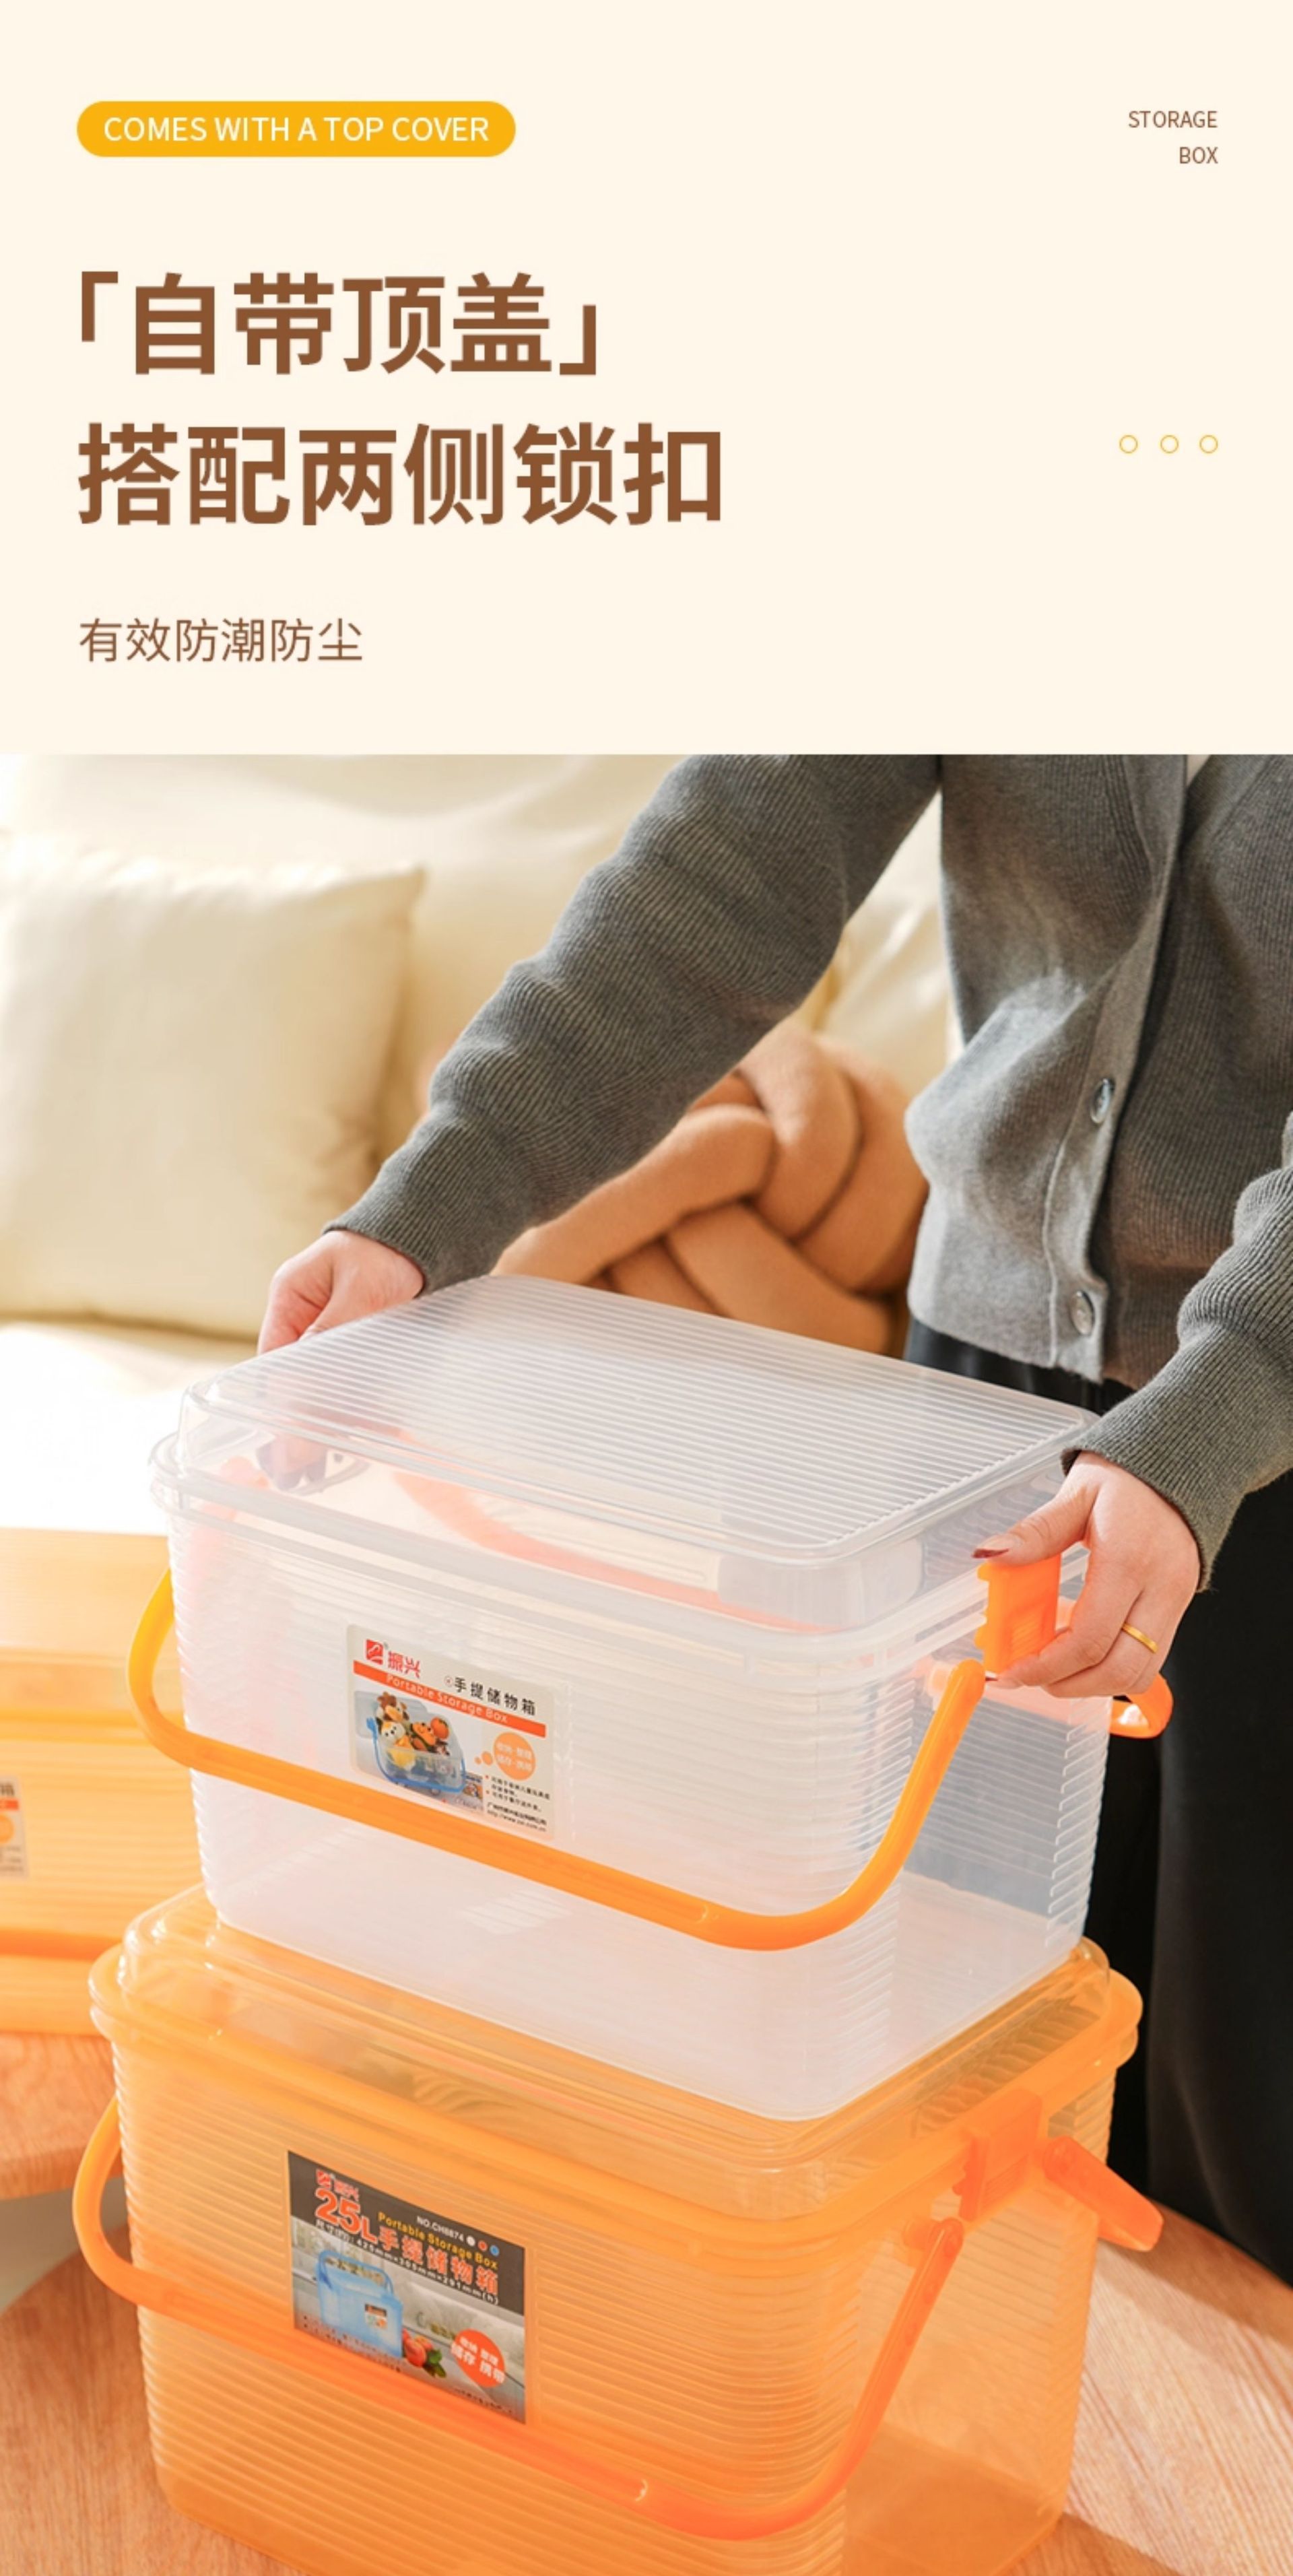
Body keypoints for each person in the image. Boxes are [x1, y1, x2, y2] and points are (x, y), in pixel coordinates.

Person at [260, 754, 1293, 2282]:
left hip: (1272, 1424)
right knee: (942, 2059)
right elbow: (718, 879)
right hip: (980, 1422)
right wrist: (428, 1207)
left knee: (1245, 2127)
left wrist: (1217, 1410)